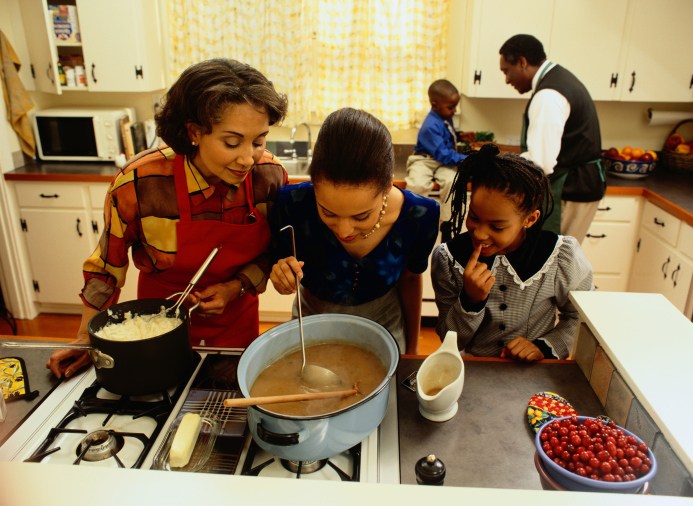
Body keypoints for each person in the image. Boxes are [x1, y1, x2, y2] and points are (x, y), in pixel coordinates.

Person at [47, 58, 289, 379]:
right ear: (194, 132)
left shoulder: (268, 178)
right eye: (232, 142)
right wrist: (84, 337)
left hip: (235, 333)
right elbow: (107, 267)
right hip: (153, 333)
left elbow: (274, 252)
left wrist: (237, 286)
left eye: (258, 141)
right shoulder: (139, 183)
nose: (248, 158)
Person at [269, 108, 440, 355]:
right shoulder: (291, 203)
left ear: (387, 187)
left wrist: (411, 350)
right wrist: (281, 274)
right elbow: (279, 263)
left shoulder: (420, 215)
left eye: (361, 216)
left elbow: (411, 279)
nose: (344, 230)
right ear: (314, 184)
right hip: (311, 329)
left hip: (386, 329)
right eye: (328, 213)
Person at [431, 144, 593, 361]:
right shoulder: (448, 259)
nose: (479, 234)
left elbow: (580, 318)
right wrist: (471, 300)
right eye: (474, 217)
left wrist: (545, 347)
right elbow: (451, 339)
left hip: (537, 373)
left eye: (497, 227)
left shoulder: (561, 256)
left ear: (530, 219)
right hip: (476, 370)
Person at [499, 34, 605, 243]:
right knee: (561, 257)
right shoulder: (559, 80)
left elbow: (541, 162)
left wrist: (503, 171)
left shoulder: (549, 95)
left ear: (522, 62)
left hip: (570, 188)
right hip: (579, 184)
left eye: (506, 71)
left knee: (558, 260)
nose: (507, 79)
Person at [405, 79, 467, 240]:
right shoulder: (429, 126)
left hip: (442, 161)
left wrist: (460, 135)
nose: (454, 111)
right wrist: (466, 159)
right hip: (424, 160)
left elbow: (446, 137)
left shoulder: (445, 116)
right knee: (418, 184)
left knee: (451, 181)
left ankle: (447, 224)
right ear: (435, 104)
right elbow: (444, 154)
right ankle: (412, 223)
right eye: (451, 107)